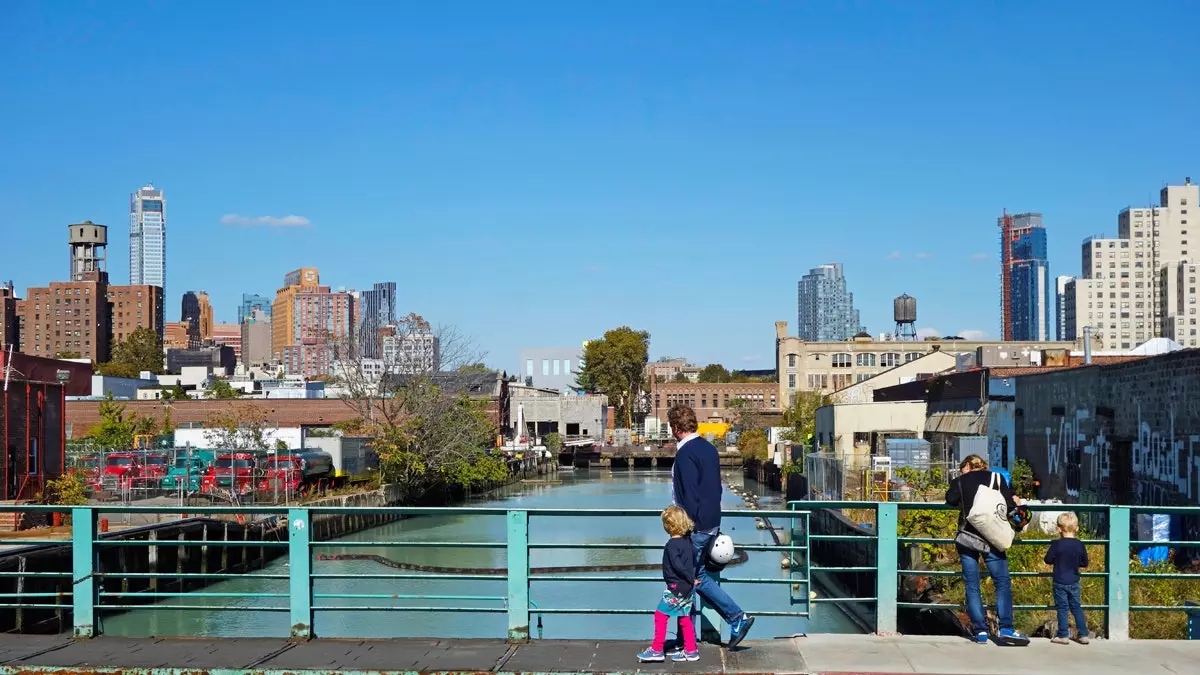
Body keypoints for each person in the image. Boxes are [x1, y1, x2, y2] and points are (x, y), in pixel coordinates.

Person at [668, 404, 754, 649]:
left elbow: (688, 494)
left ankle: (693, 636)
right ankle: (733, 620)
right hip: (712, 522)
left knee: (685, 579)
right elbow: (716, 489)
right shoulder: (708, 448)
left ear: (675, 428)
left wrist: (685, 528)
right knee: (698, 577)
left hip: (694, 527)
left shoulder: (685, 453)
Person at [945, 454, 1030, 646]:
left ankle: (980, 631)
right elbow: (1009, 507)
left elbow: (950, 499)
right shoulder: (997, 478)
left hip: (967, 538)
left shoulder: (959, 481)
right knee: (1001, 583)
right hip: (993, 537)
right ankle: (1006, 628)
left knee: (972, 585)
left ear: (967, 466)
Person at [637, 506, 700, 663]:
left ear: (669, 526)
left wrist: (689, 578)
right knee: (684, 617)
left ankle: (657, 649)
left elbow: (678, 565)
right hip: (687, 588)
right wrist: (692, 579)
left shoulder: (671, 545)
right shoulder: (688, 542)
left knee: (660, 615)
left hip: (675, 587)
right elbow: (693, 558)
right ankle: (691, 650)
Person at [1044, 512, 1090, 645]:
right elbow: (1084, 563)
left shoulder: (1057, 544)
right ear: (1077, 528)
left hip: (1059, 580)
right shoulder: (1079, 545)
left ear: (1059, 528)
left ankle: (1063, 635)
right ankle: (1083, 634)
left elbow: (1047, 559)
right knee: (1076, 607)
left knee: (1062, 608)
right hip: (1074, 580)